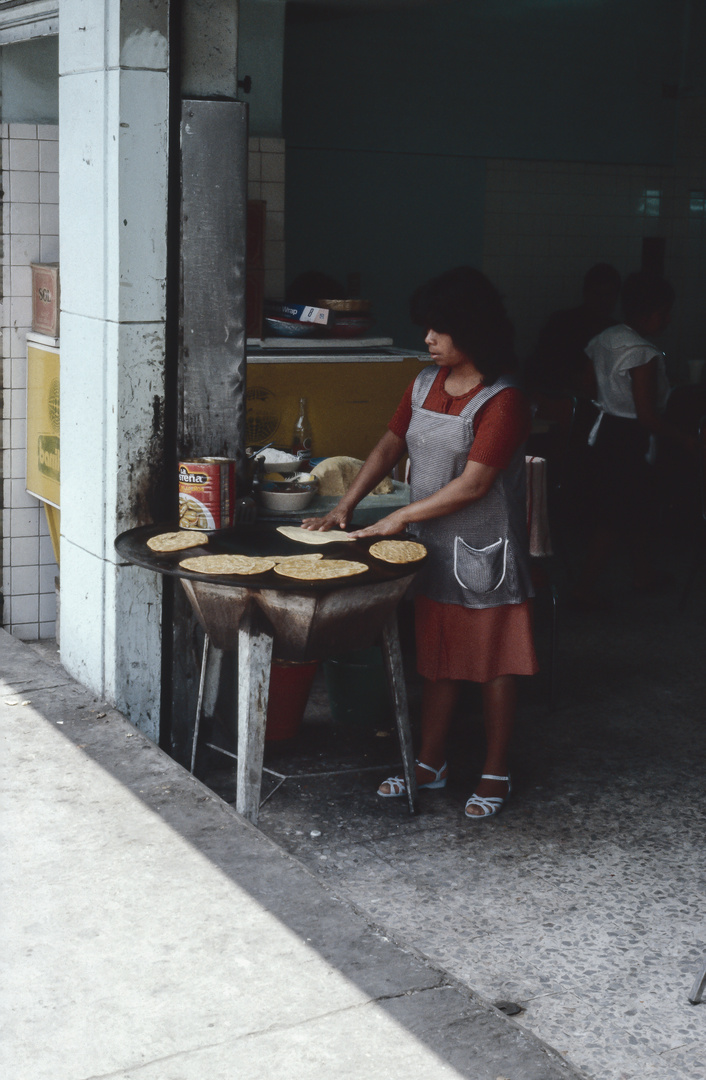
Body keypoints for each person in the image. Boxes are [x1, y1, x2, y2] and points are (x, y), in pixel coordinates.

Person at [302, 267, 537, 819]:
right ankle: (431, 762)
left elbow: (475, 483)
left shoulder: (503, 400)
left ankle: (496, 770)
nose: (427, 339)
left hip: (483, 554)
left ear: (471, 331)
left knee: (493, 664)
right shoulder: (424, 383)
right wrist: (344, 506)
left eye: (438, 329)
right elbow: (388, 445)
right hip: (430, 548)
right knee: (437, 658)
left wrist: (400, 516)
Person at [573, 270, 694, 606]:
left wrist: (611, 397)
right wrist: (685, 439)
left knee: (635, 507)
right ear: (646, 313)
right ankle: (582, 590)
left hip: (605, 429)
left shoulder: (606, 337)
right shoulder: (644, 353)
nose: (668, 319)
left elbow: (585, 384)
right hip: (629, 438)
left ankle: (642, 573)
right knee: (612, 518)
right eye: (664, 312)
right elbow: (647, 416)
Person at [525, 263, 622, 400]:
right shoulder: (561, 324)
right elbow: (541, 367)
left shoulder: (618, 332)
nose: (603, 301)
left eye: (609, 295)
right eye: (598, 294)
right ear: (586, 293)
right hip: (561, 399)